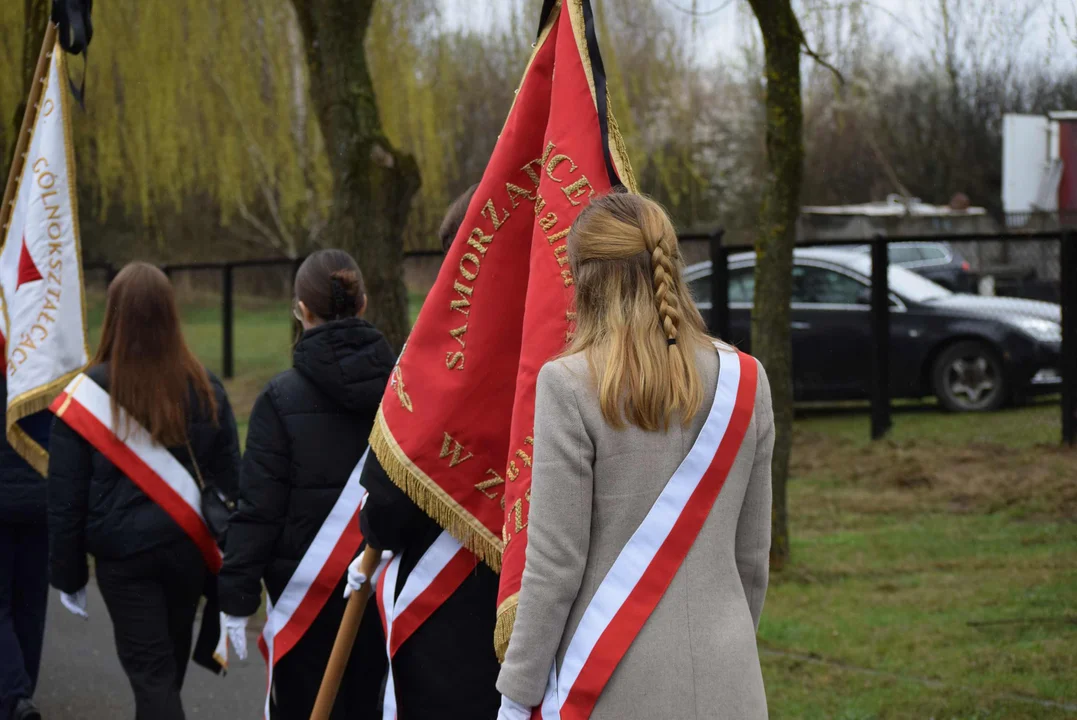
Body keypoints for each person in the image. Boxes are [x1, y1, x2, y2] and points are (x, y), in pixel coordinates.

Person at [496, 193, 774, 719]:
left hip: (611, 683)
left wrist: (518, 693)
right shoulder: (747, 380)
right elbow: (751, 560)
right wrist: (730, 643)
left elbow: (555, 565)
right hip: (729, 679)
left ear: (584, 277)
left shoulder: (568, 383)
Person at [47, 263, 240, 720]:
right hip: (188, 551)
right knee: (163, 674)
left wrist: (69, 575)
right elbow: (231, 479)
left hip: (124, 559)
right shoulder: (205, 387)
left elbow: (66, 499)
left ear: (114, 315)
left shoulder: (87, 394)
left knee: (153, 678)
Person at [218, 249, 395, 719]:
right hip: (383, 596)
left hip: (306, 606)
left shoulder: (278, 399)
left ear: (301, 309)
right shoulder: (404, 387)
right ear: (363, 304)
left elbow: (258, 509)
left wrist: (236, 597)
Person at [354, 182, 503, 719]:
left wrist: (373, 530)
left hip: (447, 621)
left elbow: (388, 515)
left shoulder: (432, 364)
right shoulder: (567, 350)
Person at [0, 398, 50, 720]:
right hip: (40, 492)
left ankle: (15, 694)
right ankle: (22, 693)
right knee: (30, 604)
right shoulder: (44, 356)